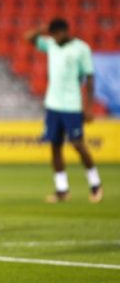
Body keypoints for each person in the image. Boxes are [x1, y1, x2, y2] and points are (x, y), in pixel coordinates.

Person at [26, 18, 103, 203]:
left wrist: (89, 107)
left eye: (56, 34)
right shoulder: (51, 44)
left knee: (77, 144)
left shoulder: (81, 49)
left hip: (72, 105)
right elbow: (29, 38)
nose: (54, 38)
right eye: (52, 35)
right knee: (55, 147)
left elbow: (90, 79)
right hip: (53, 105)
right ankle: (62, 190)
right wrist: (41, 27)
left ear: (66, 31)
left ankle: (95, 184)